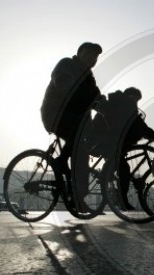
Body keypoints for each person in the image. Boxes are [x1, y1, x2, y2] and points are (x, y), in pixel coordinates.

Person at [40, 42, 103, 211]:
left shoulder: (89, 77)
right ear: (79, 53)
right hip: (56, 115)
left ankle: (77, 198)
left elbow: (97, 97)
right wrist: (89, 101)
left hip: (76, 120)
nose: (92, 58)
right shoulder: (66, 64)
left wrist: (110, 109)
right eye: (89, 54)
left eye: (95, 56)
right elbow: (63, 86)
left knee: (82, 154)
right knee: (78, 139)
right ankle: (60, 161)